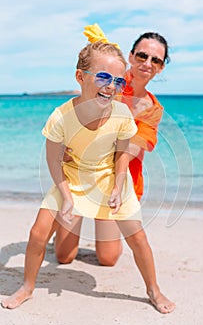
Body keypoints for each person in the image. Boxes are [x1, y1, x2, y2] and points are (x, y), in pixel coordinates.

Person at [1, 39, 175, 313]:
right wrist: (67, 196)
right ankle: (27, 287)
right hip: (71, 177)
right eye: (103, 77)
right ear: (80, 77)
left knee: (133, 240)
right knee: (41, 236)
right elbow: (52, 158)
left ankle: (154, 289)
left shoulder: (126, 112)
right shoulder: (62, 115)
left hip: (109, 179)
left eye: (117, 81)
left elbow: (121, 155)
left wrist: (118, 186)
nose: (111, 85)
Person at [55, 24, 170, 267]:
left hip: (114, 183)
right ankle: (62, 217)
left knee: (108, 259)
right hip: (81, 175)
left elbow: (132, 149)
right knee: (64, 257)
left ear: (160, 68)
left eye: (156, 60)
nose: (147, 63)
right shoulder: (113, 81)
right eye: (142, 55)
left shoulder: (153, 110)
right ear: (130, 56)